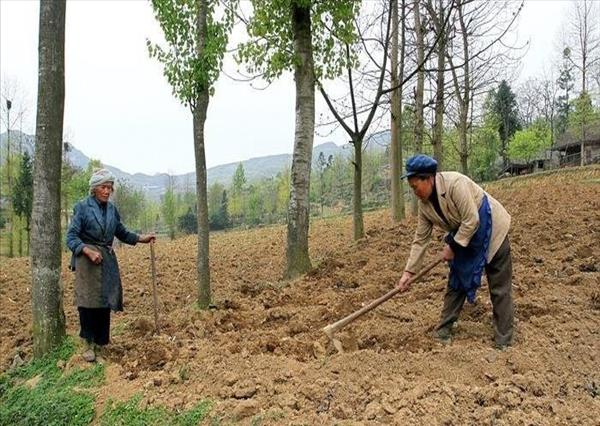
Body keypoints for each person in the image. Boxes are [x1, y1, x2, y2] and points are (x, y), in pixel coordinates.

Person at [397, 155, 514, 349]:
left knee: (499, 287)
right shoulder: (424, 206)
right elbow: (420, 239)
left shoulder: (455, 184)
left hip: (492, 229)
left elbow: (472, 219)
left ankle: (504, 340)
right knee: (457, 280)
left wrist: (453, 246)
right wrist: (409, 272)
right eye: (412, 188)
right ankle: (443, 330)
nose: (415, 192)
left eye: (415, 186)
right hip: (465, 237)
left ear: (428, 179)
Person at [66, 168, 155, 362]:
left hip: (106, 258)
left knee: (105, 300)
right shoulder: (82, 207)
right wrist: (87, 251)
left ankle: (101, 342)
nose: (107, 191)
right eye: (103, 187)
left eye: (110, 188)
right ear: (94, 189)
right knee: (88, 301)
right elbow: (71, 237)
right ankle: (88, 342)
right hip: (86, 260)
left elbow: (121, 232)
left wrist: (141, 238)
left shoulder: (112, 210)